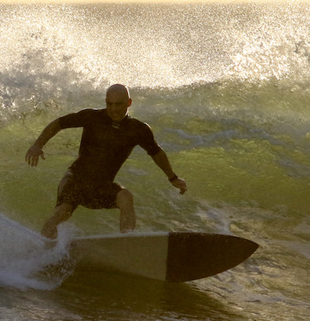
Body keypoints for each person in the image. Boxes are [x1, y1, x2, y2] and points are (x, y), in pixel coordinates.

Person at [25, 84, 188, 239]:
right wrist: (37, 145)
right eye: (110, 104)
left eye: (119, 104)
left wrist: (172, 178)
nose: (114, 109)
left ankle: (126, 242)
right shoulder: (92, 117)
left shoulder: (138, 129)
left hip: (101, 188)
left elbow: (156, 153)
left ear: (129, 103)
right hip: (76, 180)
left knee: (125, 197)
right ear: (105, 102)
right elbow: (59, 123)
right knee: (63, 211)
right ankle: (43, 248)